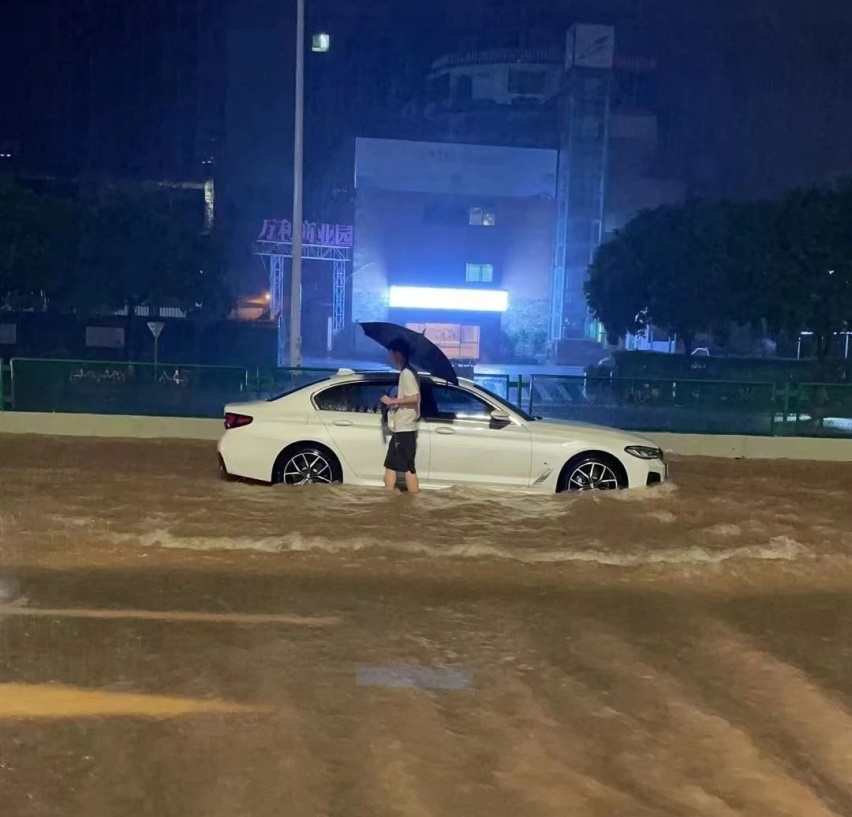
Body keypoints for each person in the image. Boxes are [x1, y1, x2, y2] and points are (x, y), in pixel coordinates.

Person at [380, 339, 421, 493]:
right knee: (391, 464)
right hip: (402, 427)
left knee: (408, 467)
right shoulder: (409, 372)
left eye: (390, 353)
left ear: (398, 354)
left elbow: (414, 397)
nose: (389, 357)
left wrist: (392, 400)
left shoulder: (407, 373)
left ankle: (413, 499)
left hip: (405, 427)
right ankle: (389, 497)